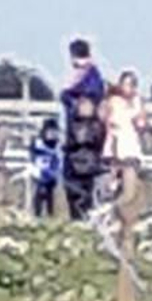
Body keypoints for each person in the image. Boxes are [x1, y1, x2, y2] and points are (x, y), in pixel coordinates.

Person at [61, 92, 105, 220]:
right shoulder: (73, 123)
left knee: (89, 198)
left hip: (91, 166)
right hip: (74, 166)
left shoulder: (97, 125)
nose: (84, 108)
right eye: (81, 105)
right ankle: (77, 219)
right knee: (75, 197)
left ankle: (87, 219)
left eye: (87, 105)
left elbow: (97, 141)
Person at [100, 70, 147, 172]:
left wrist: (140, 122)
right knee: (112, 178)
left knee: (129, 175)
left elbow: (141, 124)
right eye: (124, 84)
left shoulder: (137, 102)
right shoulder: (112, 101)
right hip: (113, 148)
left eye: (130, 85)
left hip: (130, 148)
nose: (126, 88)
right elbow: (104, 119)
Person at [60, 36, 106, 134]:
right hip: (76, 127)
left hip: (86, 129)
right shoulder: (80, 73)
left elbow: (94, 94)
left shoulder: (90, 74)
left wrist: (72, 99)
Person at [29, 118, 63, 219]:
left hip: (51, 175)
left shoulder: (57, 145)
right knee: (38, 194)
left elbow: (58, 160)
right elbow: (31, 158)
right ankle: (36, 215)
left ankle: (50, 215)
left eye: (54, 132)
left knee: (50, 197)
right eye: (49, 132)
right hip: (38, 173)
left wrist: (55, 171)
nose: (52, 135)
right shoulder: (37, 143)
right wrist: (36, 170)